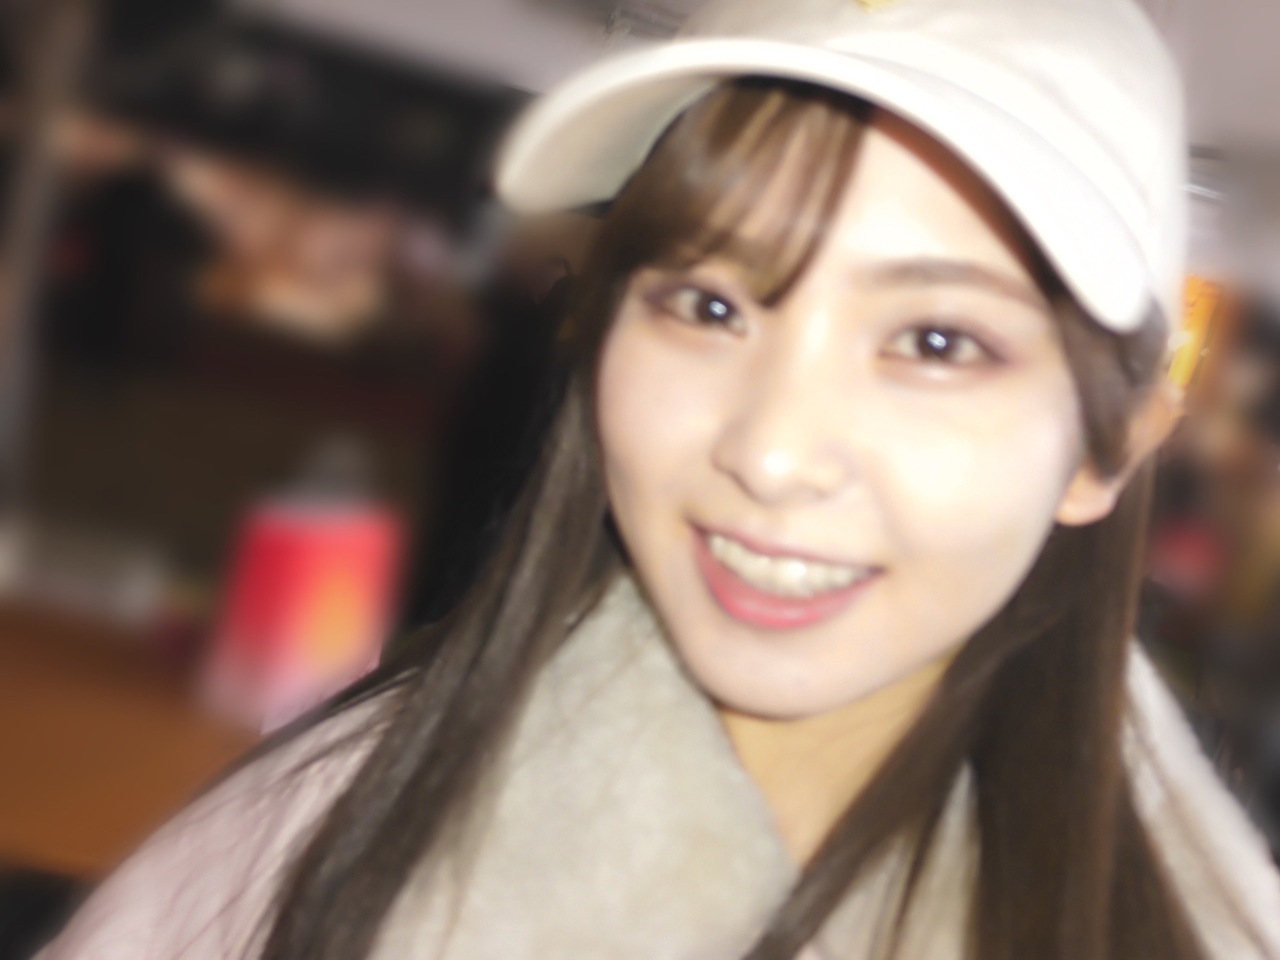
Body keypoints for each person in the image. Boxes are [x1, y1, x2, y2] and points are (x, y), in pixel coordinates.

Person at [38, 0, 1280, 958]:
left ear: (1110, 447)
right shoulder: (297, 849)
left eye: (937, 341)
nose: (769, 452)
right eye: (708, 304)